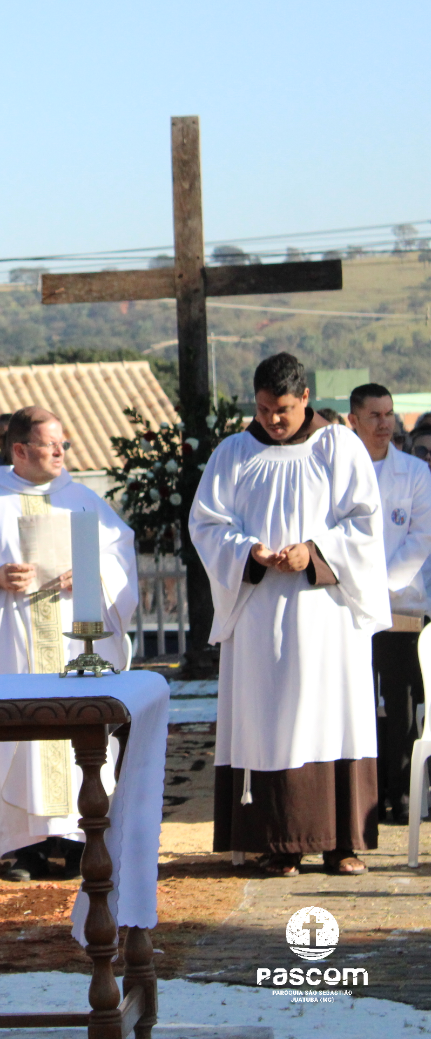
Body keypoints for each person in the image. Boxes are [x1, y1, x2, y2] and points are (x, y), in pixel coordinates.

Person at [189, 353, 391, 877]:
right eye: (262, 409)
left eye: (282, 409)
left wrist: (314, 552)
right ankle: (278, 841)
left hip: (325, 610)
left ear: (304, 398)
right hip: (259, 611)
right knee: (269, 716)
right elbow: (207, 525)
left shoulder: (339, 446)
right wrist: (248, 552)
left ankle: (341, 843)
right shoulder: (233, 453)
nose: (272, 420)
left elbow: (365, 522)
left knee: (333, 715)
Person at [0, 406, 137, 881]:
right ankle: (23, 847)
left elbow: (120, 555)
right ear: (20, 450)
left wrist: (89, 573)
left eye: (63, 443)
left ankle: (76, 839)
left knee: (75, 731)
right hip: (13, 644)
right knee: (18, 735)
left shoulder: (83, 501)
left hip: (72, 639)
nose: (61, 453)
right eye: (51, 445)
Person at [348, 384, 431, 824]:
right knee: (359, 701)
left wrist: (376, 587)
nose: (385, 424)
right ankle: (366, 791)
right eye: (375, 416)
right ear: (353, 422)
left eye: (390, 414)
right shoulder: (339, 473)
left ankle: (400, 791)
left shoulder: (416, 473)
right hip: (349, 609)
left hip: (401, 604)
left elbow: (420, 539)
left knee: (399, 701)